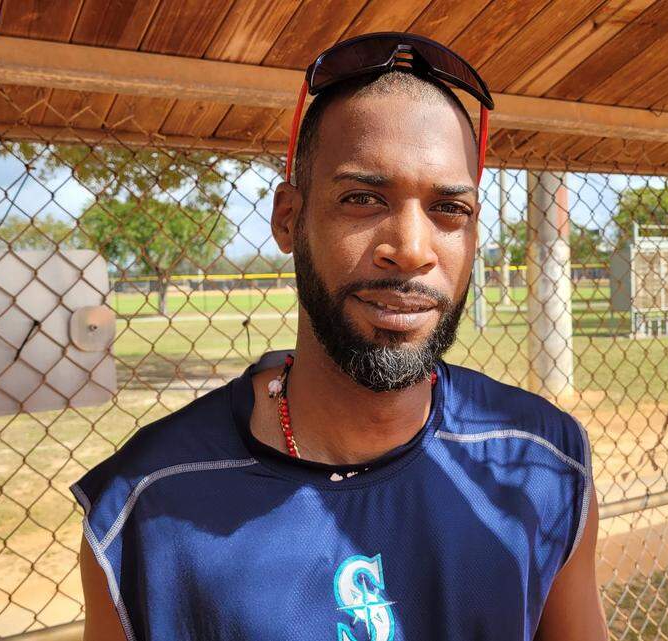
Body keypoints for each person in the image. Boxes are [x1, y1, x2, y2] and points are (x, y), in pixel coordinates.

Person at [72, 32, 607, 641]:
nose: (410, 248)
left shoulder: (544, 462)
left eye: (449, 211)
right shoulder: (144, 507)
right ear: (288, 218)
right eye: (362, 199)